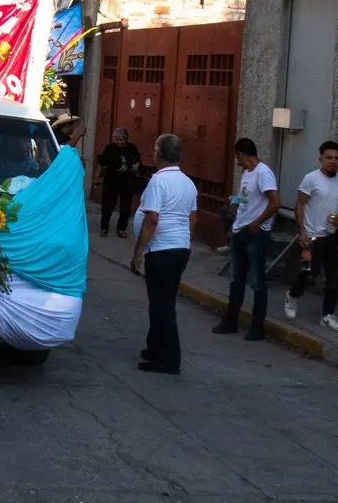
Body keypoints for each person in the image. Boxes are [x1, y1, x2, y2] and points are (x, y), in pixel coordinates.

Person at [129, 134, 197, 375]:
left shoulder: (159, 181)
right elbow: (192, 218)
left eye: (155, 149)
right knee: (160, 302)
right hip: (178, 248)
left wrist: (138, 252)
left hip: (162, 250)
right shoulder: (187, 183)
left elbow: (152, 219)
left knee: (162, 305)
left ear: (159, 154)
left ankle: (168, 358)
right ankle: (155, 347)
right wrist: (185, 244)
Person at [213, 138, 279, 341]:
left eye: (236, 156)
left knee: (256, 280)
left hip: (255, 234)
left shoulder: (263, 173)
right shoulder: (247, 174)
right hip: (240, 231)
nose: (236, 160)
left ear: (241, 154)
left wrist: (257, 222)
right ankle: (230, 319)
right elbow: (244, 198)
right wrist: (234, 209)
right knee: (236, 278)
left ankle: (257, 326)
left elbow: (275, 202)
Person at [285, 141, 338, 331]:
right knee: (308, 272)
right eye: (329, 158)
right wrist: (302, 231)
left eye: (337, 158)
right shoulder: (311, 179)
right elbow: (299, 205)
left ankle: (327, 315)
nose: (333, 161)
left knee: (334, 278)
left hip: (332, 236)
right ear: (321, 159)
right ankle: (293, 295)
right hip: (311, 237)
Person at [97, 128, 141, 238]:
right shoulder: (109, 148)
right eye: (117, 139)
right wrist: (99, 176)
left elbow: (138, 160)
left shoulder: (132, 148)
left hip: (127, 181)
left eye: (122, 139)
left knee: (125, 207)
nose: (120, 142)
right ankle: (104, 227)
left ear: (126, 139)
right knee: (107, 205)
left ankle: (121, 229)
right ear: (114, 139)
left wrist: (137, 166)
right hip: (111, 180)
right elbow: (102, 163)